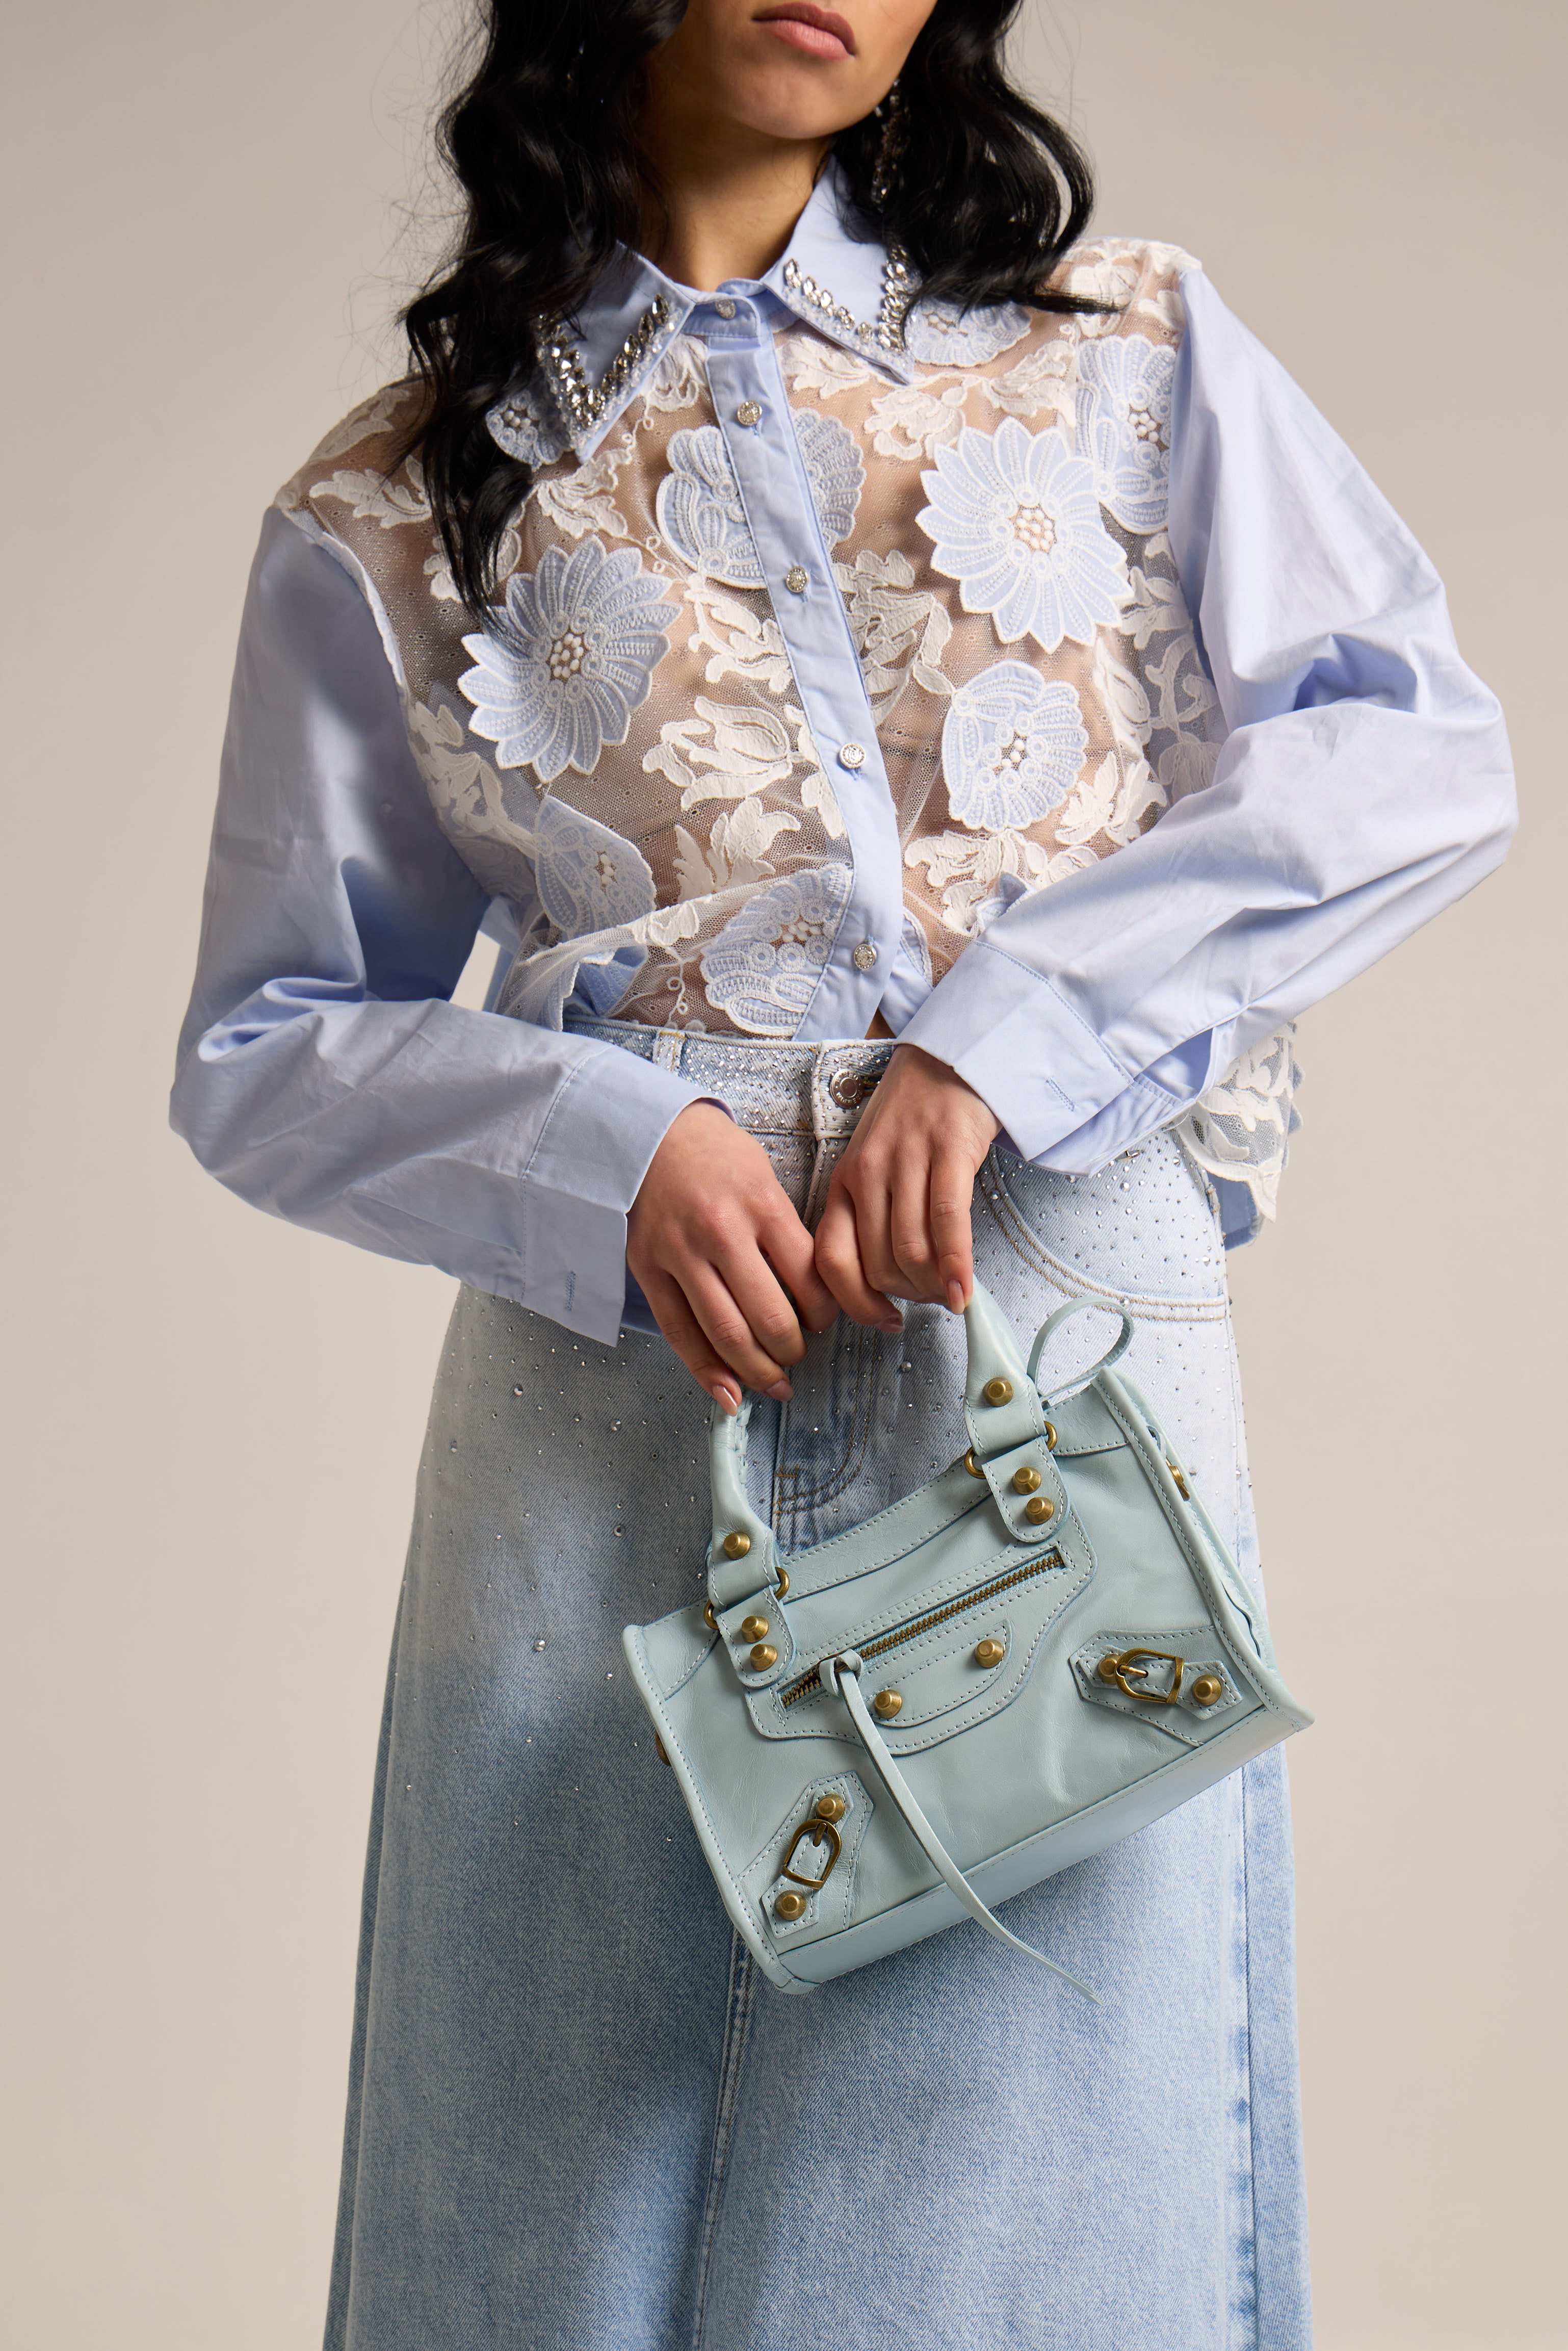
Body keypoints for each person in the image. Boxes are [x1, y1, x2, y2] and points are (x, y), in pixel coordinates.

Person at [171, 0, 1514, 2341]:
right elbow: (269, 1037)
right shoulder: (399, 500)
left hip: (1046, 1335)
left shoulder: (1124, 350)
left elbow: (1402, 747)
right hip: (616, 1397)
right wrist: (610, 1142)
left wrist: (1012, 1033)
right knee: (555, 2182)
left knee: (1047, 2187)